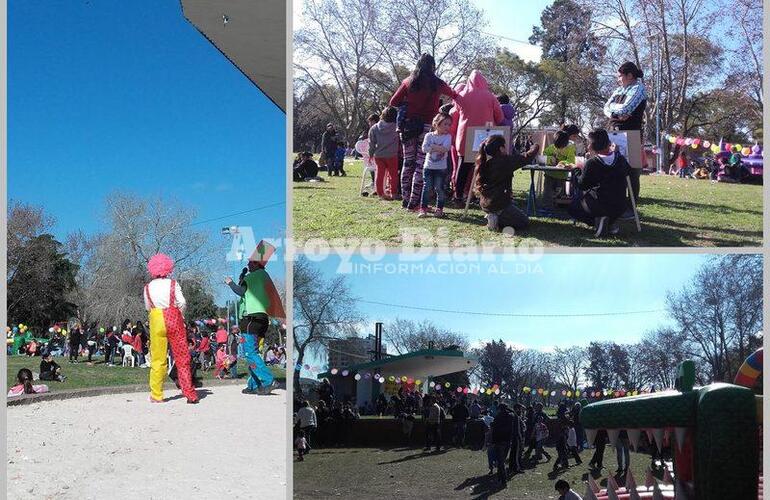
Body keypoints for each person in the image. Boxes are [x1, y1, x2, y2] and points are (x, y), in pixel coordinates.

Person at [390, 53, 460, 210]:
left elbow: (393, 101)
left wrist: (408, 105)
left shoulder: (408, 82)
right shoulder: (437, 83)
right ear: (433, 66)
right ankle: (415, 202)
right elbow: (454, 94)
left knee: (408, 163)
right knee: (420, 165)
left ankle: (406, 200)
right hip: (427, 127)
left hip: (407, 127)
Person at [225, 242, 285, 395]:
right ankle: (254, 385)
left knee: (249, 353)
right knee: (254, 353)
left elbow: (241, 291)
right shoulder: (265, 276)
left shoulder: (252, 277)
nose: (248, 264)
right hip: (263, 319)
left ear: (257, 264)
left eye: (251, 262)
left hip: (250, 319)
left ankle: (268, 380)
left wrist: (231, 283)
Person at [143, 253, 198, 404]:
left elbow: (148, 307)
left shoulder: (147, 287)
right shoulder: (173, 284)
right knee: (182, 357)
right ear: (168, 268)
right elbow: (182, 302)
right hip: (173, 318)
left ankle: (156, 394)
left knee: (158, 359)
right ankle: (190, 393)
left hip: (156, 320)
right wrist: (181, 315)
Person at [451, 70, 504, 204]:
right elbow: (500, 117)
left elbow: (455, 113)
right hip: (485, 138)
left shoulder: (461, 95)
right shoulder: (491, 97)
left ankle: (458, 196)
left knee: (462, 169)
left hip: (464, 137)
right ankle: (485, 197)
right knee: (485, 169)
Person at [567, 128, 632, 237]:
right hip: (620, 206)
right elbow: (628, 171)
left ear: (592, 146)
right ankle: (610, 222)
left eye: (589, 144)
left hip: (600, 205)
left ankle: (601, 221)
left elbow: (582, 185)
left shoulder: (592, 163)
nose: (588, 146)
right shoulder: (620, 159)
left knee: (573, 207)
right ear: (608, 143)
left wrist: (576, 169)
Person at [603, 61, 647, 215]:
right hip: (613, 133)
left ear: (629, 75)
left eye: (620, 76)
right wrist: (616, 113)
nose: (618, 79)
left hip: (632, 135)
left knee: (632, 172)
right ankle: (617, 205)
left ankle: (631, 208)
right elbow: (606, 108)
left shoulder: (639, 89)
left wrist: (615, 111)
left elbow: (626, 108)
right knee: (614, 169)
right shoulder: (618, 90)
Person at [474, 134, 540, 232]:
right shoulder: (506, 161)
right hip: (498, 204)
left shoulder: (486, 163)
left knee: (514, 211)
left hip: (486, 203)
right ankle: (496, 218)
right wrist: (536, 146)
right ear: (501, 148)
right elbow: (527, 157)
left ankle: (494, 215)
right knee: (524, 221)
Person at [418, 113, 453, 218]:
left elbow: (446, 148)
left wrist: (432, 146)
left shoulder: (448, 137)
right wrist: (437, 148)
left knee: (439, 188)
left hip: (441, 168)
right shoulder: (429, 136)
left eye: (449, 124)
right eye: (445, 124)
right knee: (427, 187)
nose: (447, 127)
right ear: (437, 124)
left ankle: (439, 209)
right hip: (428, 167)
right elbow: (424, 148)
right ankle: (423, 208)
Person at [368, 106, 400, 200]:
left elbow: (371, 143)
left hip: (379, 155)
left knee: (380, 174)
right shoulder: (396, 127)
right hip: (392, 154)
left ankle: (380, 193)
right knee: (393, 175)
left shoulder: (374, 128)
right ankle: (393, 193)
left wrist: (370, 154)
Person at [491, 403, 513, 487]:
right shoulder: (510, 416)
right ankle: (500, 478)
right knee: (502, 460)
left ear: (500, 409)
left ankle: (503, 480)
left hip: (499, 441)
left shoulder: (498, 417)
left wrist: (493, 441)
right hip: (507, 441)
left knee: (500, 462)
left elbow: (495, 430)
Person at [508, 403, 525, 473]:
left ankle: (512, 466)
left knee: (513, 452)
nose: (521, 411)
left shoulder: (513, 416)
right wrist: (520, 438)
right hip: (517, 437)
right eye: (520, 409)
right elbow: (517, 429)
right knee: (517, 454)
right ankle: (516, 468)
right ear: (517, 409)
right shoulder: (516, 417)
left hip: (514, 437)